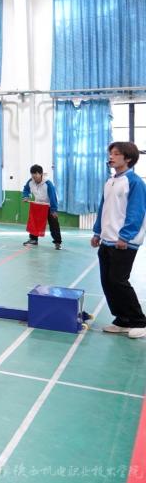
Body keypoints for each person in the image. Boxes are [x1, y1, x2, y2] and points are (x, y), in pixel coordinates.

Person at [91, 142, 146, 339]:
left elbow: (137, 211)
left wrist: (125, 236)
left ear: (128, 158)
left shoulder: (135, 182)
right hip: (107, 240)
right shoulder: (110, 181)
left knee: (118, 281)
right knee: (107, 282)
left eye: (116, 154)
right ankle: (123, 320)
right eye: (110, 153)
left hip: (123, 243)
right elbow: (103, 209)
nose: (111, 157)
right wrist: (97, 232)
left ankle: (139, 321)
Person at [22, 164, 62, 249]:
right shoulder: (30, 181)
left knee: (54, 224)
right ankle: (33, 239)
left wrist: (54, 210)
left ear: (41, 174)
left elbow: (53, 197)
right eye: (32, 175)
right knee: (34, 222)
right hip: (38, 204)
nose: (34, 177)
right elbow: (26, 189)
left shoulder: (48, 184)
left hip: (49, 205)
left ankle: (57, 242)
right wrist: (26, 196)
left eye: (36, 175)